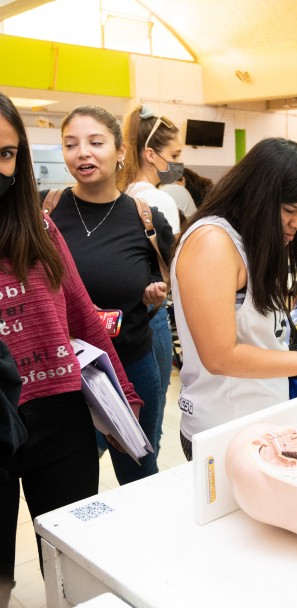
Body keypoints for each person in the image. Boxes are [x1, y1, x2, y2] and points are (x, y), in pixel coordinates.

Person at [0, 92, 142, 601]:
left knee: (73, 558)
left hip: (60, 415)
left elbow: (83, 314)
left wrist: (122, 394)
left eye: (6, 153)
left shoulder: (38, 228)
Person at [172, 138, 297, 461]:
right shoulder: (212, 242)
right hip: (225, 431)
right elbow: (219, 355)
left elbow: (247, 325)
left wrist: (289, 330)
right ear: (258, 195)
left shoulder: (249, 239)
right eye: (290, 211)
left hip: (260, 422)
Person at [46, 105, 171, 485]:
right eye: (71, 144)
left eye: (95, 142)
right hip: (62, 368)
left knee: (138, 471)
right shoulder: (45, 211)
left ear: (120, 151)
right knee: (70, 475)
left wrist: (155, 293)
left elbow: (160, 278)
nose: (82, 152)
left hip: (130, 364)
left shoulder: (146, 219)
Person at [119, 105, 183, 461]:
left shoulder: (123, 192)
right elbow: (174, 268)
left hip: (124, 315)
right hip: (154, 313)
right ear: (150, 154)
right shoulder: (159, 200)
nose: (176, 163)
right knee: (150, 421)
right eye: (173, 155)